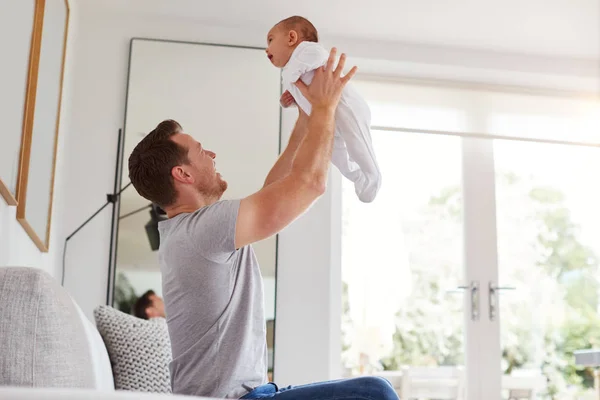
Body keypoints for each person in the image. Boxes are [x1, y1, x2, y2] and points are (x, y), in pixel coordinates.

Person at [128, 47, 398, 400]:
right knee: (373, 392)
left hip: (254, 393)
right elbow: (308, 184)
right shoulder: (201, 231)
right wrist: (324, 107)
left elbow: (276, 188)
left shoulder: (188, 232)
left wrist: (305, 114)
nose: (211, 155)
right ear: (183, 174)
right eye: (201, 151)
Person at [267, 16, 381, 203]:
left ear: (291, 38)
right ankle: (357, 176)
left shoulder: (307, 51)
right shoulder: (291, 69)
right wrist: (289, 100)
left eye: (271, 40)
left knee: (357, 144)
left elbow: (320, 58)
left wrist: (292, 76)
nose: (267, 48)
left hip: (347, 108)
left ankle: (373, 176)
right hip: (327, 120)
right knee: (336, 156)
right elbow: (302, 94)